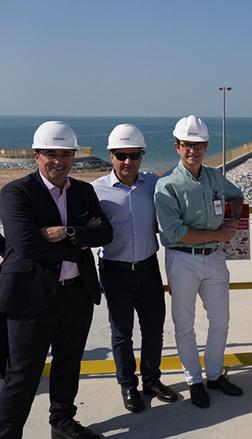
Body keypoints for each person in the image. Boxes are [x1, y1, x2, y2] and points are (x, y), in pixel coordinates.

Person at [0, 121, 112, 438]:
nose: (59, 161)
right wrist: (79, 243)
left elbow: (105, 233)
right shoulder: (16, 192)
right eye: (51, 153)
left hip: (77, 293)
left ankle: (62, 422)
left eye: (65, 154)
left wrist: (67, 231)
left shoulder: (84, 191)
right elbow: (27, 245)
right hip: (29, 298)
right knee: (22, 374)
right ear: (37, 155)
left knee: (68, 362)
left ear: (74, 156)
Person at [154, 115, 245, 409]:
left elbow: (237, 195)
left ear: (206, 146)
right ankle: (194, 380)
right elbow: (175, 232)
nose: (193, 150)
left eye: (199, 145)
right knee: (184, 324)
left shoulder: (214, 176)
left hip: (215, 259)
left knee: (221, 320)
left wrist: (231, 219)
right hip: (183, 261)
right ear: (177, 146)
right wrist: (219, 233)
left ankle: (215, 375)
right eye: (187, 145)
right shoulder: (166, 185)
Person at [92, 124, 178, 413]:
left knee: (154, 329)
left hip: (148, 267)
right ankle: (128, 385)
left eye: (134, 155)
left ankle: (152, 380)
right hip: (114, 271)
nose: (127, 161)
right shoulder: (97, 191)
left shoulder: (153, 184)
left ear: (142, 156)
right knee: (122, 333)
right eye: (120, 155)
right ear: (111, 156)